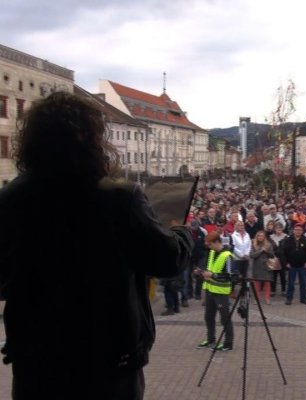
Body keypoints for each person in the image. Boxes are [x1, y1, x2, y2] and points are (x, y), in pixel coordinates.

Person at [0, 92, 194, 400]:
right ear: (90, 137)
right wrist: (182, 231)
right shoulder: (119, 197)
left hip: (36, 365)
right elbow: (167, 261)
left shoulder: (10, 199)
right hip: (107, 365)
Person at [195, 232, 235, 351]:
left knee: (225, 318)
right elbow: (208, 268)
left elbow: (230, 276)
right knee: (208, 317)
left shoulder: (227, 255)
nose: (209, 246)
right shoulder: (212, 252)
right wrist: (201, 271)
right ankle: (210, 339)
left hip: (221, 292)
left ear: (217, 242)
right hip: (210, 290)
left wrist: (213, 275)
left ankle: (228, 343)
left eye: (210, 244)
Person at [280, 224, 306, 305]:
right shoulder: (288, 240)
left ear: (302, 231)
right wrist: (286, 263)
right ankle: (289, 298)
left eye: (300, 230)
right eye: (296, 229)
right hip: (291, 265)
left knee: (303, 283)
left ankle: (303, 298)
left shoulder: (305, 240)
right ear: (293, 230)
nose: (298, 231)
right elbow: (283, 253)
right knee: (291, 283)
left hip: (302, 265)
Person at [249, 230, 275, 304]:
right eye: (259, 236)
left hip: (266, 266)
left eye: (262, 236)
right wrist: (261, 250)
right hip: (257, 266)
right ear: (257, 237)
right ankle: (256, 299)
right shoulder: (253, 244)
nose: (261, 237)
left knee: (267, 283)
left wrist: (267, 251)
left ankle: (267, 298)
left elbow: (272, 255)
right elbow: (252, 255)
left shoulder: (268, 244)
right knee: (257, 283)